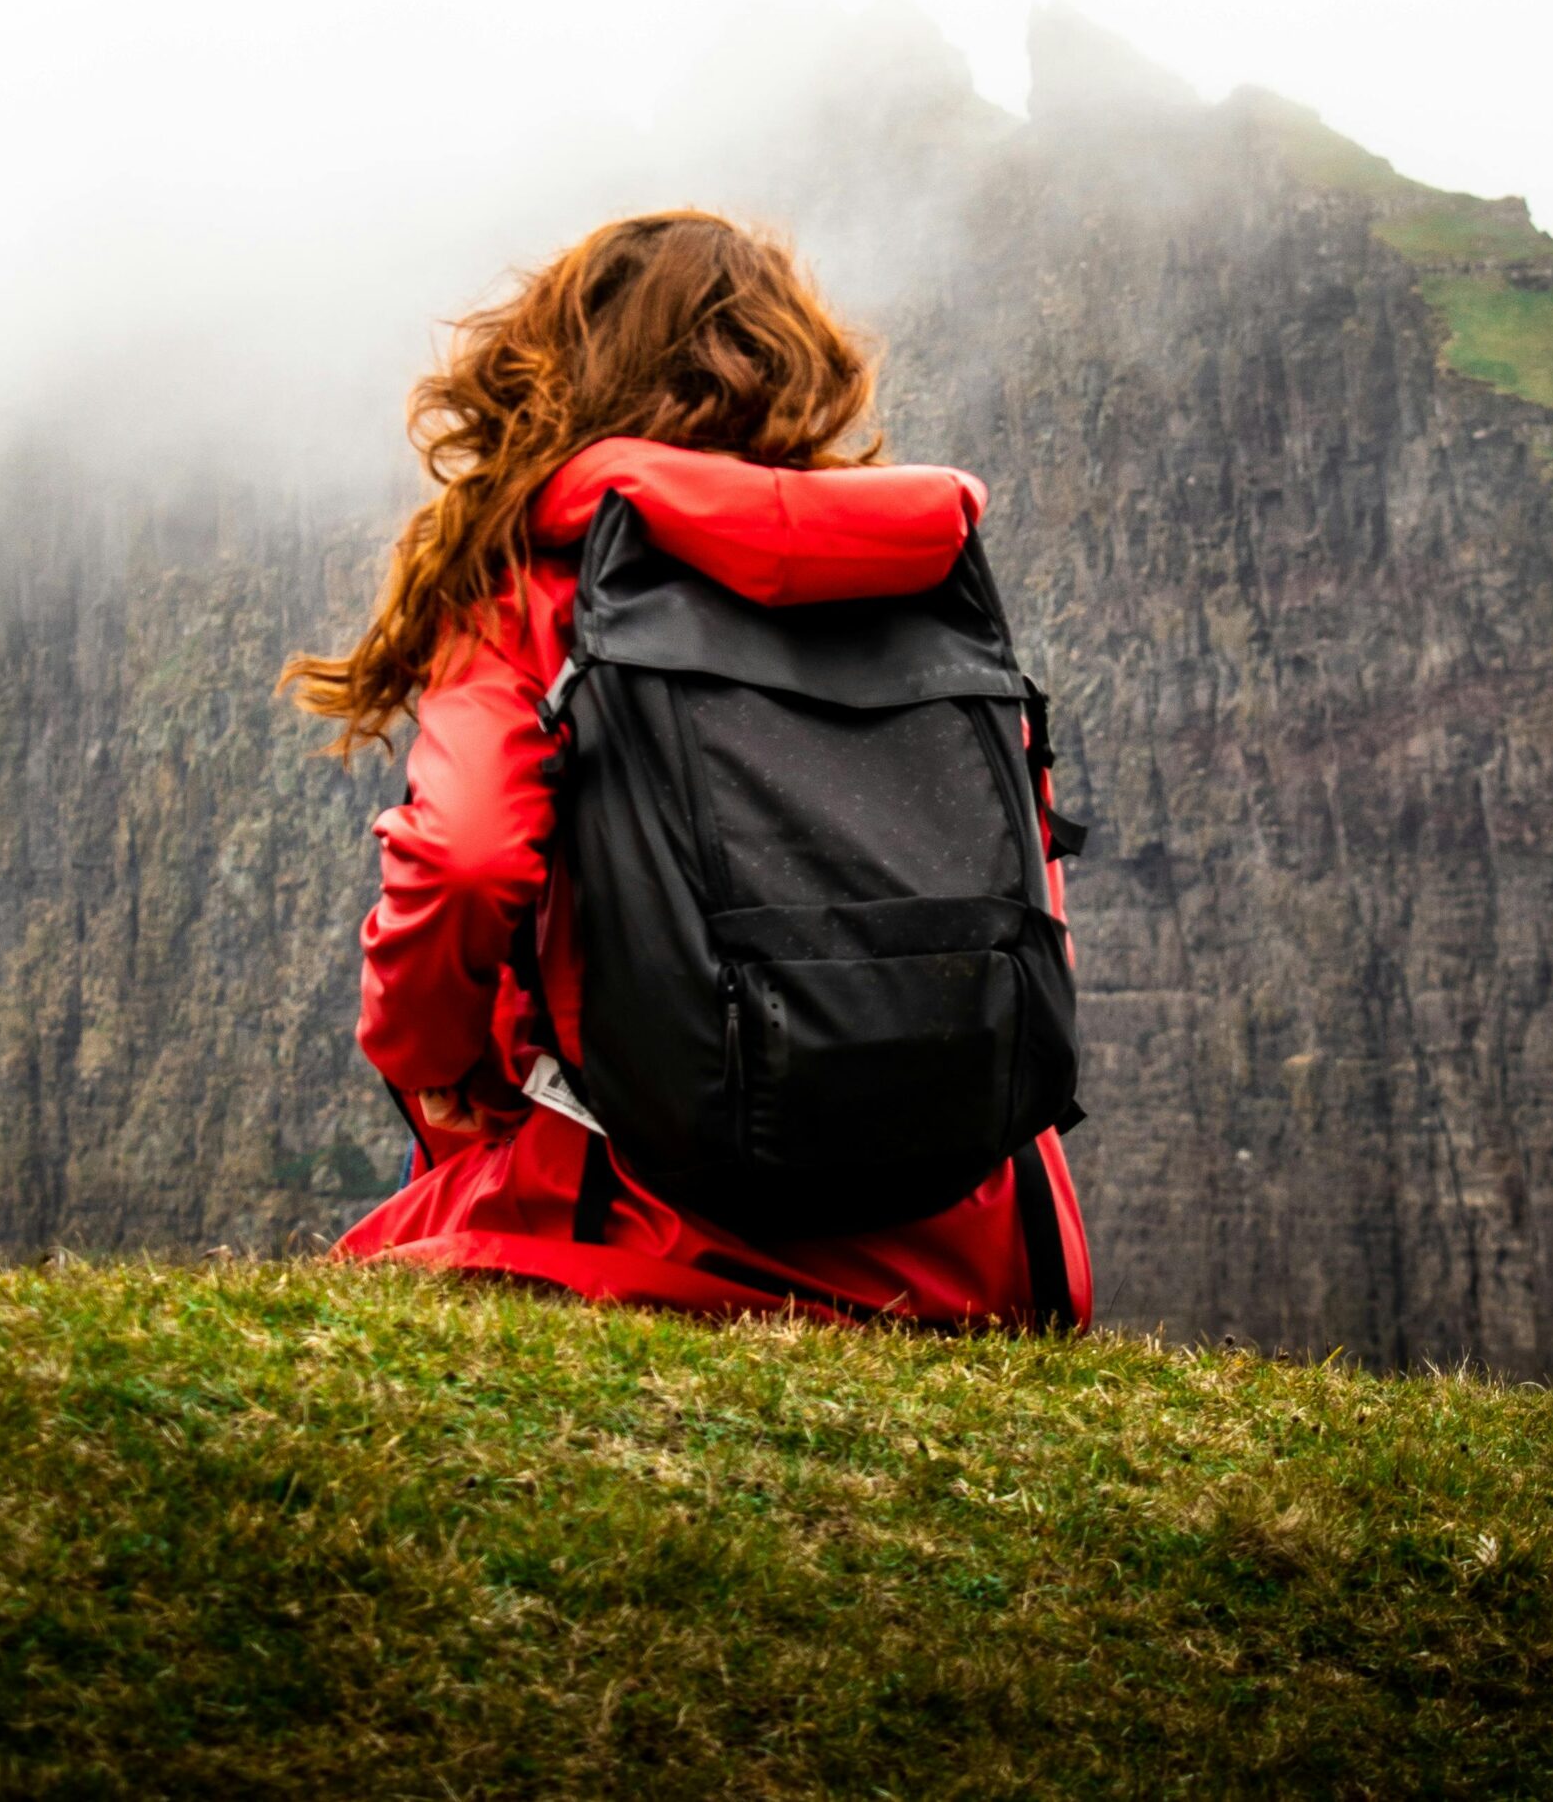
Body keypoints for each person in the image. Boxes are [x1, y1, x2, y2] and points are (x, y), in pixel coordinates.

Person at [285, 209, 1091, 1326]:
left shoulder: (544, 586)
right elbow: (1026, 887)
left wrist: (430, 1062)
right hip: (968, 1246)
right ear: (798, 363)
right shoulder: (922, 580)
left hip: (652, 1222)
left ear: (561, 372)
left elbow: (464, 860)